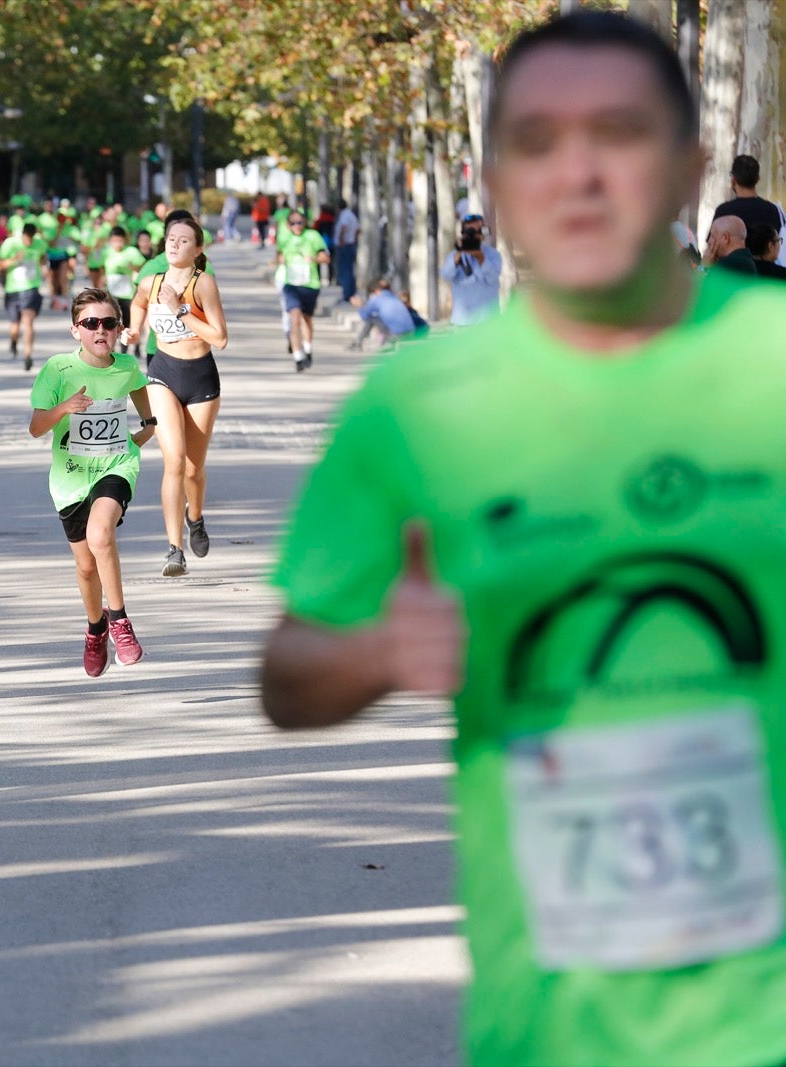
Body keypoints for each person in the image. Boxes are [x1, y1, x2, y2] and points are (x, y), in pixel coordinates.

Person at [261, 12, 786, 1066]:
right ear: (493, 179)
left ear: (689, 171)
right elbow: (287, 674)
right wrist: (375, 652)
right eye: (537, 142)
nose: (579, 174)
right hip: (552, 1023)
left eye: (620, 135)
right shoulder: (416, 404)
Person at [30, 288, 155, 677]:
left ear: (119, 328)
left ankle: (119, 622)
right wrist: (64, 408)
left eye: (108, 323)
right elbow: (36, 428)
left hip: (116, 466)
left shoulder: (126, 367)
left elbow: (140, 395)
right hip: (69, 479)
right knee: (86, 567)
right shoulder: (58, 370)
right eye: (90, 323)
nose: (100, 330)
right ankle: (96, 628)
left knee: (102, 535)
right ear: (75, 330)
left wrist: (147, 428)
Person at [123, 211, 230, 577]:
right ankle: (174, 549)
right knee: (173, 461)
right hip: (163, 373)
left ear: (197, 249)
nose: (175, 244)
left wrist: (180, 311)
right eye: (171, 239)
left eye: (184, 240)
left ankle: (195, 517)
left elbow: (220, 338)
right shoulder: (152, 282)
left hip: (200, 378)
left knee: (193, 469)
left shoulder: (204, 285)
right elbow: (137, 303)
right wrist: (134, 330)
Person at [274, 209, 329, 371]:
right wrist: (280, 259)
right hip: (290, 284)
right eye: (293, 223)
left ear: (304, 222)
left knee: (307, 320)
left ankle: (308, 348)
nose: (296, 226)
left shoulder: (313, 236)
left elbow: (325, 258)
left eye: (299, 222)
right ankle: (298, 357)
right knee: (295, 319)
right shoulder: (284, 238)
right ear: (288, 225)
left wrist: (312, 258)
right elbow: (278, 255)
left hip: (310, 284)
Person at [713, 154, 786, 266]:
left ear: (733, 179)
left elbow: (714, 248)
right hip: (767, 278)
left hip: (732, 276)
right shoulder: (774, 210)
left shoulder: (723, 212)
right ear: (758, 178)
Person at [0, 220, 48, 372]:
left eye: (31, 238)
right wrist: (14, 260)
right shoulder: (10, 244)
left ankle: (27, 355)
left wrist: (43, 264)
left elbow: (43, 257)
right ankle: (13, 342)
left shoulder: (39, 243)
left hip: (31, 288)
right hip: (13, 289)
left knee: (28, 322)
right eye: (27, 238)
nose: (29, 241)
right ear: (22, 234)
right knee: (15, 326)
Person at [440, 213, 504, 325]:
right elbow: (445, 275)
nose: (473, 235)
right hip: (463, 320)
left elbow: (493, 278)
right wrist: (457, 258)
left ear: (483, 233)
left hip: (488, 320)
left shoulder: (493, 255)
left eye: (477, 231)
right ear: (463, 234)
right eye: (470, 232)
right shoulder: (455, 255)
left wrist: (481, 259)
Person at [347, 277, 428, 349]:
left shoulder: (376, 299)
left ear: (376, 291)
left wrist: (360, 306)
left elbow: (364, 316)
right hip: (411, 333)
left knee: (371, 318)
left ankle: (358, 342)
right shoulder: (394, 297)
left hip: (396, 335)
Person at [101, 227, 147, 354]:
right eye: (115, 241)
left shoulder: (131, 251)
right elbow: (102, 268)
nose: (118, 244)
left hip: (127, 292)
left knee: (127, 320)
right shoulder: (106, 252)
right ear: (110, 241)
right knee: (111, 319)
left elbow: (143, 266)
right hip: (111, 292)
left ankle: (125, 349)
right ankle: (112, 347)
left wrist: (133, 267)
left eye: (120, 241)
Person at [333, 199, 361, 302]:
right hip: (351, 244)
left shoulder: (344, 215)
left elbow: (344, 227)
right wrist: (352, 238)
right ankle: (351, 293)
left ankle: (347, 295)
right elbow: (358, 230)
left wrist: (342, 239)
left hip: (344, 246)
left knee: (344, 271)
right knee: (349, 270)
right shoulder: (352, 215)